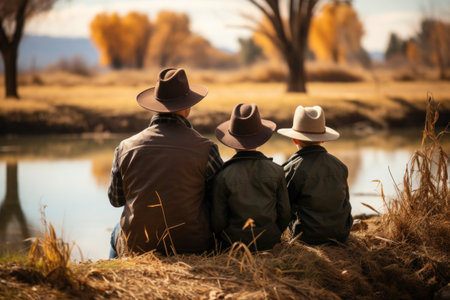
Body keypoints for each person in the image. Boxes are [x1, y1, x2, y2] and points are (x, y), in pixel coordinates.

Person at [108, 68, 223, 257]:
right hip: (193, 245)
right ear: (188, 107)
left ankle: (113, 274)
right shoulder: (206, 148)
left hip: (138, 246)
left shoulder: (125, 147)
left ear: (155, 106)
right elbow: (216, 200)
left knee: (116, 230)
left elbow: (115, 200)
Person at [211, 103, 291, 251]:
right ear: (260, 139)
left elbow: (218, 221)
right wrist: (273, 236)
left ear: (231, 141)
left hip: (234, 245)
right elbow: (285, 213)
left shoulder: (222, 176)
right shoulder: (277, 170)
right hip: (270, 242)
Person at [277, 105, 353, 245]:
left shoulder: (291, 168)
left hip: (307, 237)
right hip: (341, 235)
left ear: (294, 139)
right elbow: (345, 202)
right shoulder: (340, 166)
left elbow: (284, 208)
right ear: (323, 139)